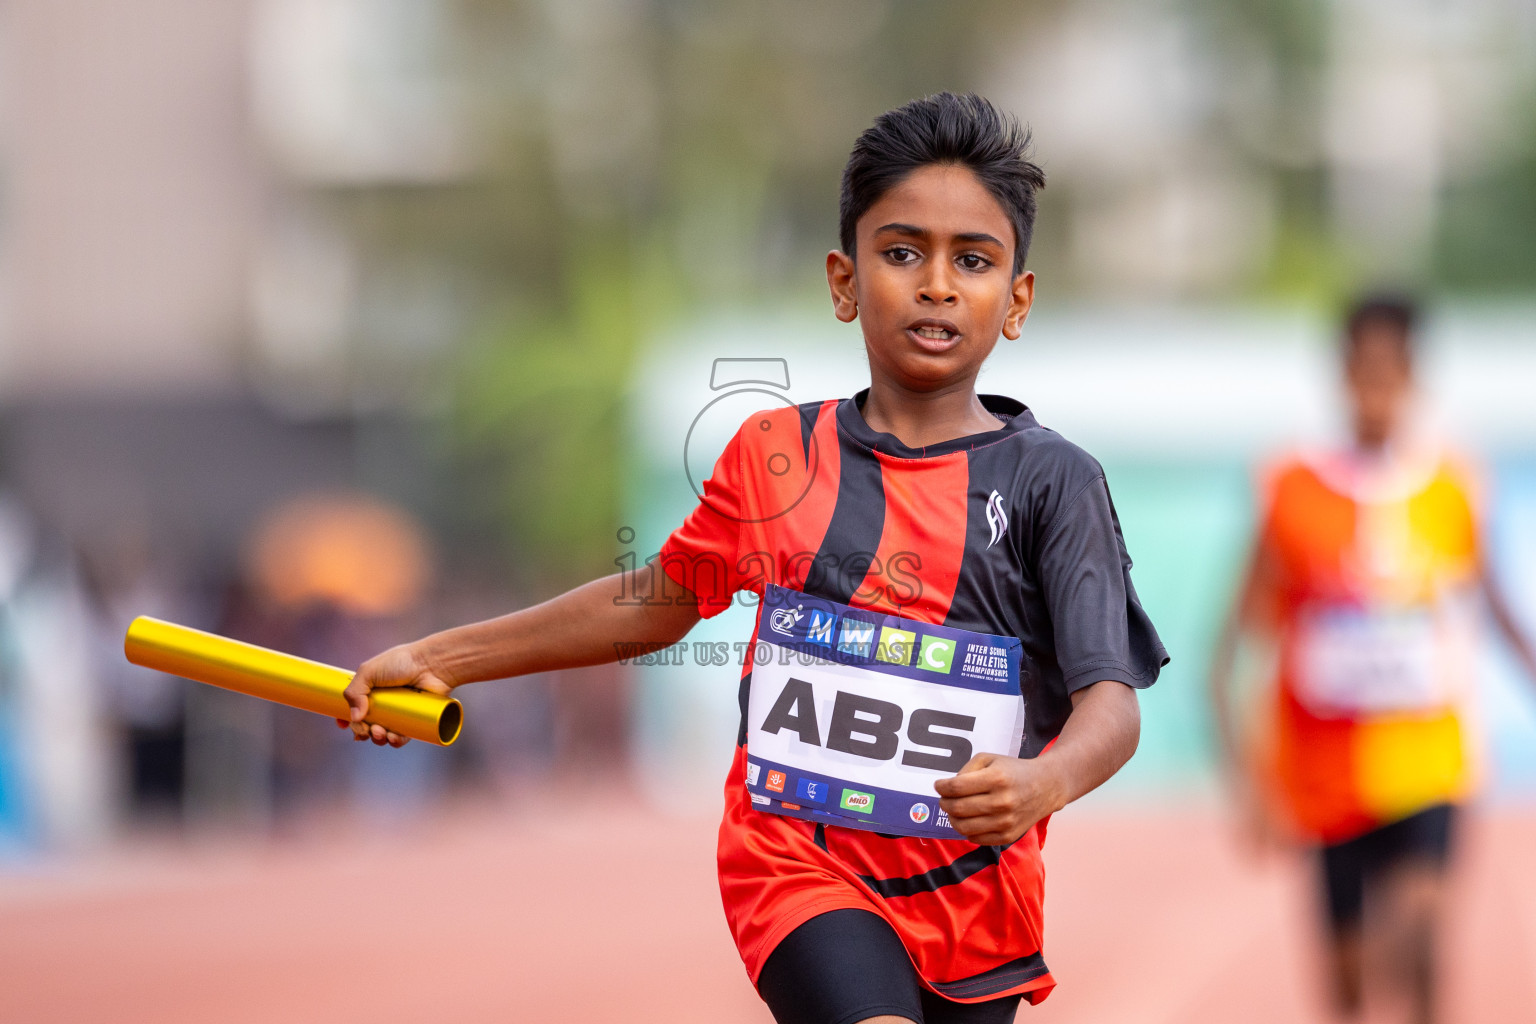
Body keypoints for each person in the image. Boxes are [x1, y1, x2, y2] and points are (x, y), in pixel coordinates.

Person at [342, 93, 1168, 1024]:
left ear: (1015, 297)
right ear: (844, 280)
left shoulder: (1056, 482)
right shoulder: (776, 456)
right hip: (796, 868)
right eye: (901, 253)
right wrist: (445, 658)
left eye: (971, 261)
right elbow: (654, 601)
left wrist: (1044, 782)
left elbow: (1113, 705)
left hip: (975, 895)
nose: (936, 283)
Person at [1209, 295, 1536, 1024]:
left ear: (1415, 377)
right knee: (1350, 987)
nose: (1378, 388)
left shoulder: (1453, 485)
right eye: (1365, 370)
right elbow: (1233, 641)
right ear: (1343, 373)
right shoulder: (1293, 487)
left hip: (1427, 760)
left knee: (1420, 942)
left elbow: (1499, 610)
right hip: (1324, 776)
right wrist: (1246, 779)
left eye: (1394, 371)